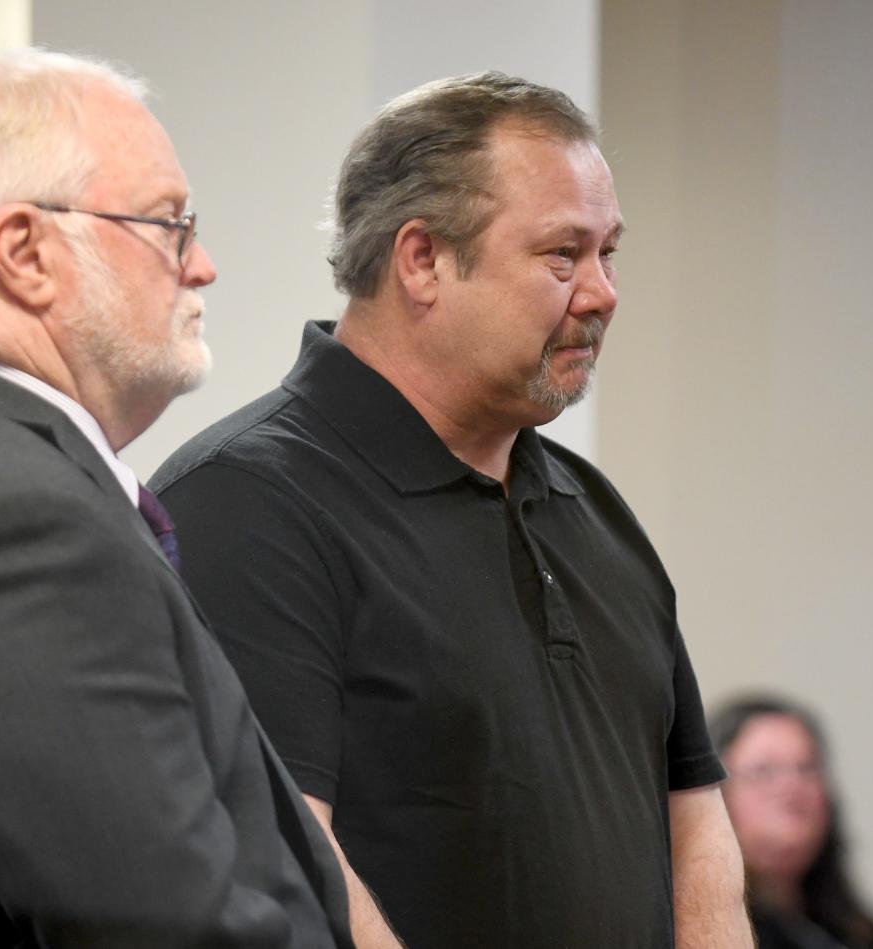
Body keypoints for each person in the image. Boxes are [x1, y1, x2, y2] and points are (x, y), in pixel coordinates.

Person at [151, 71, 752, 949]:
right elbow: (279, 859)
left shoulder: (595, 510)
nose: (602, 292)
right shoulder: (244, 505)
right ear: (422, 259)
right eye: (562, 255)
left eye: (607, 253)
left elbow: (694, 824)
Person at [0, 50, 351, 948]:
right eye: (170, 224)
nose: (204, 265)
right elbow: (165, 928)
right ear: (25, 253)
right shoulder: (13, 524)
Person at [708, 695, 873, 949]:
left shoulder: (862, 933)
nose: (793, 787)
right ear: (717, 796)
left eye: (807, 768)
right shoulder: (702, 933)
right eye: (764, 771)